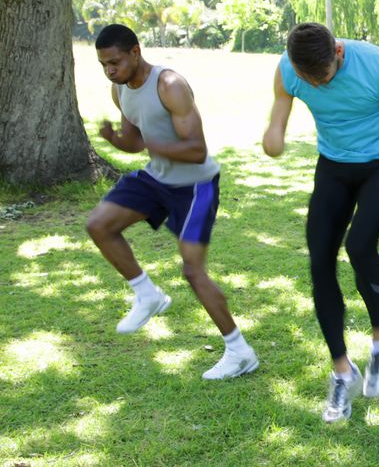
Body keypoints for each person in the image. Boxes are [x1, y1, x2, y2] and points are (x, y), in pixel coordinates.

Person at [263, 22, 379, 423]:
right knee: (320, 261)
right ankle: (342, 371)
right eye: (308, 80)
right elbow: (277, 120)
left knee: (359, 246)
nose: (316, 87)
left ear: (337, 52)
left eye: (323, 78)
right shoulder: (289, 70)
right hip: (333, 165)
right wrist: (273, 135)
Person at [86, 24, 258, 380]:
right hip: (157, 178)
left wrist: (149, 145)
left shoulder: (170, 86)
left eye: (115, 62)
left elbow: (196, 151)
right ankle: (147, 294)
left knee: (193, 272)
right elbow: (135, 141)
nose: (110, 71)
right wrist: (115, 141)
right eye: (104, 65)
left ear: (135, 51)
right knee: (99, 225)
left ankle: (240, 352)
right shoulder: (120, 90)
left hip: (195, 186)